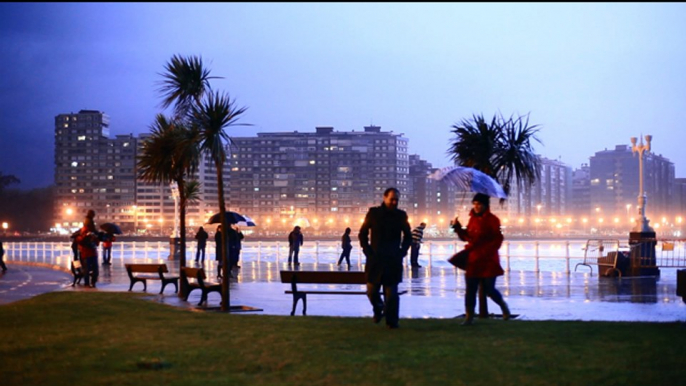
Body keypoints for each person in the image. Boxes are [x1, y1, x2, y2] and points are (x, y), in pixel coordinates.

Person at [451, 193, 510, 326]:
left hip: (488, 260)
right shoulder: (472, 219)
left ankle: (503, 306)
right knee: (470, 289)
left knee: (489, 289)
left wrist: (487, 250)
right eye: (475, 204)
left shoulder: (493, 220)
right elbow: (467, 237)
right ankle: (469, 316)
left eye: (479, 204)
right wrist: (458, 228)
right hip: (474, 260)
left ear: (485, 205)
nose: (476, 206)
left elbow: (498, 239)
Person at [359, 187, 412, 329]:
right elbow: (362, 233)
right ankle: (379, 308)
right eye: (392, 199)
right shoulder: (373, 213)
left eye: (396, 200)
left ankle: (392, 322)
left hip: (392, 260)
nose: (394, 202)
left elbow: (408, 236)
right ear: (384, 198)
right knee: (371, 291)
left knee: (392, 294)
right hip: (375, 259)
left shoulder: (401, 216)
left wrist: (402, 252)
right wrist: (367, 251)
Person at [75, 222, 100, 287]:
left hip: (90, 254)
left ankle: (90, 283)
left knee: (92, 269)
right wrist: (85, 236)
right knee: (88, 269)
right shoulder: (80, 234)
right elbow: (80, 241)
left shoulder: (92, 233)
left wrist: (94, 238)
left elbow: (97, 243)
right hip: (86, 254)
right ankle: (88, 283)